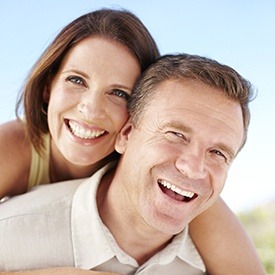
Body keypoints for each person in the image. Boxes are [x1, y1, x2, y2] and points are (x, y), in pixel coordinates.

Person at [0, 8, 264, 274]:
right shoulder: (12, 148)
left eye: (118, 92)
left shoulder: (184, 180)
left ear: (133, 119)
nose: (91, 109)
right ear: (48, 86)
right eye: (76, 80)